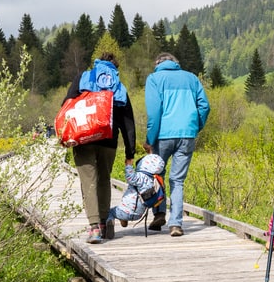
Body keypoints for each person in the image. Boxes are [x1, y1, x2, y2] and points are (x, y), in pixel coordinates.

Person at [66, 52, 137, 244]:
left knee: (88, 181)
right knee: (104, 179)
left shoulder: (84, 78)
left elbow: (67, 106)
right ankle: (105, 223)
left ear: (97, 64)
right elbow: (128, 122)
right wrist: (130, 153)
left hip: (83, 139)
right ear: (116, 67)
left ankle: (94, 228)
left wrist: (65, 135)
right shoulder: (118, 85)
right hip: (109, 140)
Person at [144, 52, 210, 237]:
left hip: (163, 135)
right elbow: (204, 106)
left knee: (157, 175)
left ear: (157, 64)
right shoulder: (191, 78)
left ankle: (159, 213)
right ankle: (176, 224)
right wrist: (195, 126)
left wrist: (150, 139)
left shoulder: (154, 79)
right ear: (175, 63)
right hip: (187, 135)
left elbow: (154, 112)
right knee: (178, 180)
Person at [108, 152, 167, 230]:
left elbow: (131, 178)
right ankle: (123, 219)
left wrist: (128, 166)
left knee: (110, 212)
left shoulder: (141, 177)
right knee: (125, 210)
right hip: (139, 214)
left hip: (126, 210)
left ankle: (110, 224)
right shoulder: (155, 181)